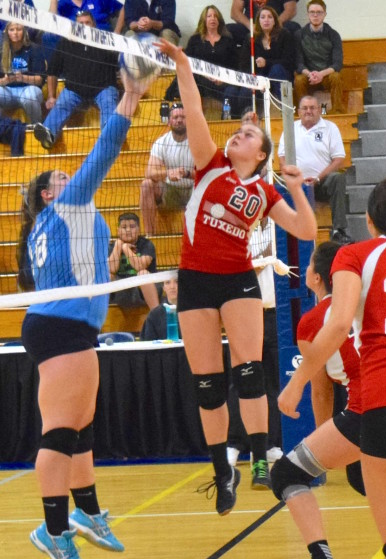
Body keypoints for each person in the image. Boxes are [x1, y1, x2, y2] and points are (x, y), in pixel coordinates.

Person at [154, 36, 317, 516]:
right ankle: (221, 470)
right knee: (206, 383)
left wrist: (294, 188)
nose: (237, 136)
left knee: (248, 373)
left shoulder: (264, 190)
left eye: (247, 135)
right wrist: (183, 64)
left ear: (261, 153)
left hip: (238, 280)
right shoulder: (209, 164)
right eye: (239, 131)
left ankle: (264, 457)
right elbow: (193, 107)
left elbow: (305, 229)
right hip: (196, 282)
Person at [17, 69, 153, 559]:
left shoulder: (55, 222)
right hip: (61, 328)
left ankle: (88, 512)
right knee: (58, 432)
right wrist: (133, 96)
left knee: (81, 427)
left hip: (68, 326)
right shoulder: (68, 207)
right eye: (58, 178)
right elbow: (105, 150)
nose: (68, 176)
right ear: (52, 195)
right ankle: (52, 531)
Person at [278, 177, 386, 559]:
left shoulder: (354, 256)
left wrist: (295, 383)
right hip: (370, 409)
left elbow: (339, 324)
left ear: (369, 221)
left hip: (381, 403)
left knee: (286, 474)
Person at [270, 241, 363, 559]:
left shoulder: (312, 322)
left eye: (308, 262)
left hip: (368, 405)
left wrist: (322, 447)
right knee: (364, 476)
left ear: (317, 277)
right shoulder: (371, 300)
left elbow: (321, 390)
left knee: (287, 473)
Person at [227, 218, 282, 468]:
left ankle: (267, 444)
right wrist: (258, 261)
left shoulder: (278, 228)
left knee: (271, 383)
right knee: (243, 380)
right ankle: (234, 444)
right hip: (245, 313)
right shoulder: (237, 230)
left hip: (275, 315)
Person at [33, 10, 119, 150]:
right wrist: (50, 96)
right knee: (63, 101)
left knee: (109, 100)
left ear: (94, 25)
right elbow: (52, 71)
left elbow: (121, 66)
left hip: (103, 88)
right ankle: (48, 135)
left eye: (87, 23)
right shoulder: (66, 43)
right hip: (74, 90)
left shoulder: (107, 41)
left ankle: (109, 139)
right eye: (81, 24)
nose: (84, 26)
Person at [278, 95, 353, 245]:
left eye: (312, 108)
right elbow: (282, 158)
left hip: (322, 183)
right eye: (305, 108)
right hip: (298, 184)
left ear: (319, 110)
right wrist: (297, 179)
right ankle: (289, 234)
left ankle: (339, 231)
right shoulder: (290, 128)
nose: (308, 111)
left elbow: (338, 159)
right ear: (299, 111)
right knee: (279, 186)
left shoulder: (330, 128)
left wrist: (317, 178)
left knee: (338, 178)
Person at [168, 5, 237, 117]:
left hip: (223, 81)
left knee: (234, 90)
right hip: (201, 80)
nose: (213, 19)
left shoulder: (228, 41)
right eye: (209, 16)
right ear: (204, 20)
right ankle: (193, 115)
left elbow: (234, 65)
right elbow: (188, 62)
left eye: (215, 16)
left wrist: (223, 78)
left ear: (219, 20)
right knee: (192, 78)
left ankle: (228, 115)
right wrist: (205, 75)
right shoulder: (195, 40)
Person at [228, 5, 294, 117]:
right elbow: (244, 65)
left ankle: (285, 110)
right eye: (263, 17)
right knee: (245, 89)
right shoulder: (251, 38)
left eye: (270, 17)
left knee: (276, 69)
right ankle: (245, 118)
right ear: (258, 21)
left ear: (275, 21)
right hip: (259, 77)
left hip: (278, 76)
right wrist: (253, 79)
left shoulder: (284, 35)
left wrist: (266, 63)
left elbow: (289, 61)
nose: (266, 20)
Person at [139, 102, 195, 235]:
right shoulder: (161, 142)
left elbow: (207, 172)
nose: (179, 120)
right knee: (146, 184)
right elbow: (149, 172)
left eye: (182, 117)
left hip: (194, 189)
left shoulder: (197, 141)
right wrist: (168, 173)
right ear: (169, 121)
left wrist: (186, 173)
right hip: (170, 192)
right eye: (175, 118)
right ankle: (150, 237)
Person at [294, 0, 345, 114]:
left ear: (325, 14)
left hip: (326, 75)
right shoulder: (299, 35)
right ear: (308, 14)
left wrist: (321, 74)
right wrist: (310, 74)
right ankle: (303, 112)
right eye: (312, 12)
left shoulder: (333, 35)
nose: (315, 15)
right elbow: (299, 63)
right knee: (298, 79)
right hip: (308, 76)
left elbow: (337, 63)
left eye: (319, 12)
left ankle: (337, 111)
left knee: (336, 77)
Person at [108, 212, 160, 310]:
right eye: (124, 227)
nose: (128, 230)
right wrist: (119, 246)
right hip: (121, 289)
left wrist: (126, 249)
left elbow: (140, 266)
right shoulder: (112, 246)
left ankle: (156, 314)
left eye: (132, 226)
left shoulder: (146, 245)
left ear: (138, 229)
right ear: (118, 231)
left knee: (143, 273)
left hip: (142, 289)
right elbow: (112, 269)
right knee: (107, 275)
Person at [0, 22, 45, 123]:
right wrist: (4, 81)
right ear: (7, 32)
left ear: (24, 32)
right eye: (12, 30)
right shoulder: (2, 51)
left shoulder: (34, 49)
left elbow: (40, 80)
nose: (15, 33)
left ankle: (37, 126)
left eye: (18, 29)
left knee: (29, 97)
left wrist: (23, 78)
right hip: (8, 90)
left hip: (29, 89)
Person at [228, 0, 299, 47]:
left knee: (294, 28)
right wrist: (250, 26)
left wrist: (275, 24)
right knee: (227, 30)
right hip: (251, 28)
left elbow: (291, 10)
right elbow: (235, 12)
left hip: (276, 27)